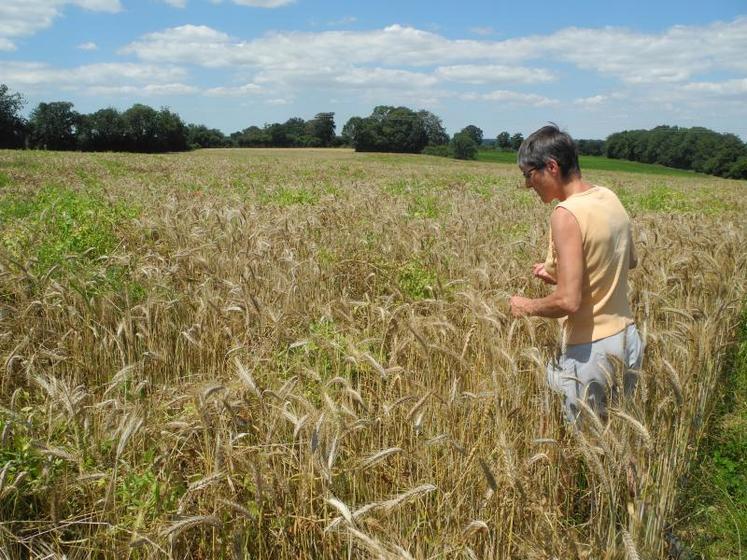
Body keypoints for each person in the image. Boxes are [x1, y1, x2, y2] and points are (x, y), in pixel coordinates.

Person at [509, 124, 643, 423]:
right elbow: (625, 262)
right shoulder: (609, 197)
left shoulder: (565, 214)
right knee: (621, 439)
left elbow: (569, 302)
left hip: (591, 352)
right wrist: (560, 274)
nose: (528, 185)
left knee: (584, 446)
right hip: (627, 340)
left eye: (528, 175)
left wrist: (526, 306)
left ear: (552, 167)